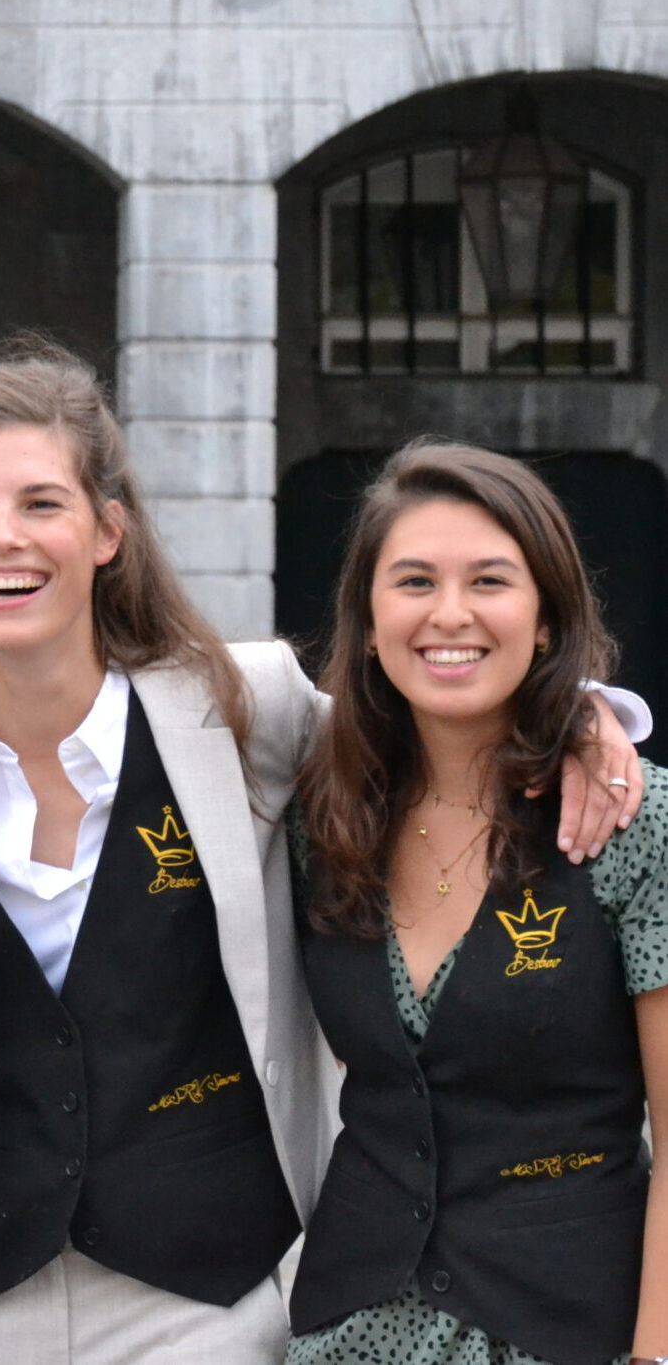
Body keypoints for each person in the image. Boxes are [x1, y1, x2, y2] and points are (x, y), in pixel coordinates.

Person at [0, 342, 644, 1365]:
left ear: (108, 531)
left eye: (41, 502)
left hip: (204, 1304)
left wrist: (582, 718)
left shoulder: (244, 711)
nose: (2, 536)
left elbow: (428, 725)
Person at [289, 442, 667, 1365]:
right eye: (413, 580)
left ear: (545, 620)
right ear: (367, 621)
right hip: (350, 1329)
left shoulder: (632, 818)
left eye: (489, 580)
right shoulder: (315, 813)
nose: (449, 613)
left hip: (566, 1330)